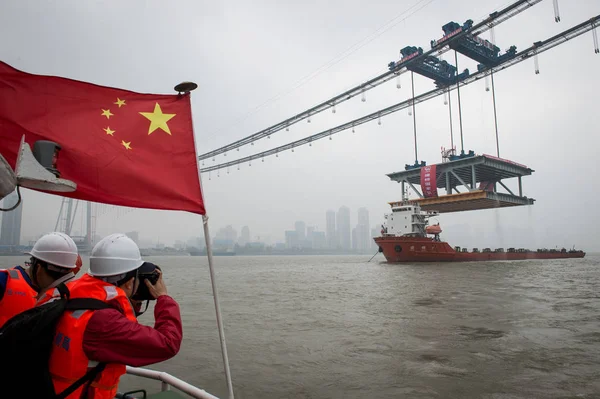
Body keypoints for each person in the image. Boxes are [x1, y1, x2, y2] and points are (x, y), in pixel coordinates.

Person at [47, 233, 182, 399]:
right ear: (129, 282)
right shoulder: (104, 322)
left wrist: (127, 302)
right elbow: (168, 343)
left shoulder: (70, 293)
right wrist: (164, 298)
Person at [0, 231, 79, 327]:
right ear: (39, 268)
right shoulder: (4, 281)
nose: (56, 286)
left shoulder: (62, 296)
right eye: (55, 278)